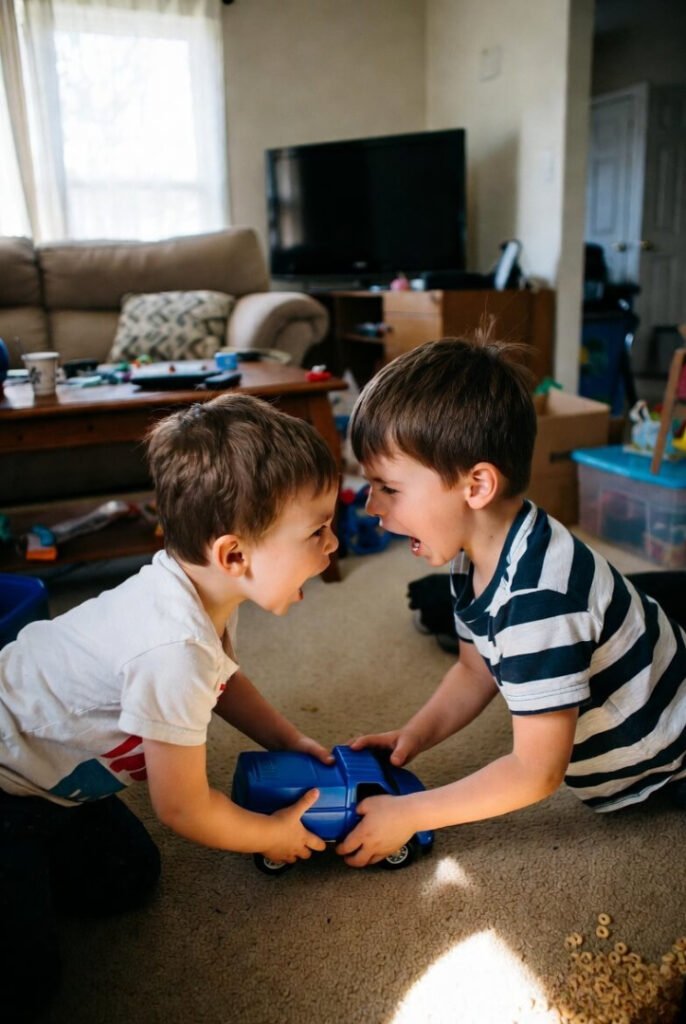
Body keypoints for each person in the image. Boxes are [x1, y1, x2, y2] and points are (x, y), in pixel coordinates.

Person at [0, 393, 339, 1019]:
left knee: (129, 876)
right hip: (6, 788)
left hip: (52, 789)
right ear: (234, 555)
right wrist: (270, 833)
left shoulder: (196, 597)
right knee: (28, 981)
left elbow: (224, 681)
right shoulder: (173, 644)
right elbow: (181, 806)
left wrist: (288, 740)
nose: (334, 545)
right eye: (316, 531)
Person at [335, 336, 686, 869]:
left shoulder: (539, 602)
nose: (369, 507)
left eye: (389, 487)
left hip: (666, 757)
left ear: (476, 485)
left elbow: (534, 772)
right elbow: (474, 670)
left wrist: (411, 813)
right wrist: (415, 735)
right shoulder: (471, 551)